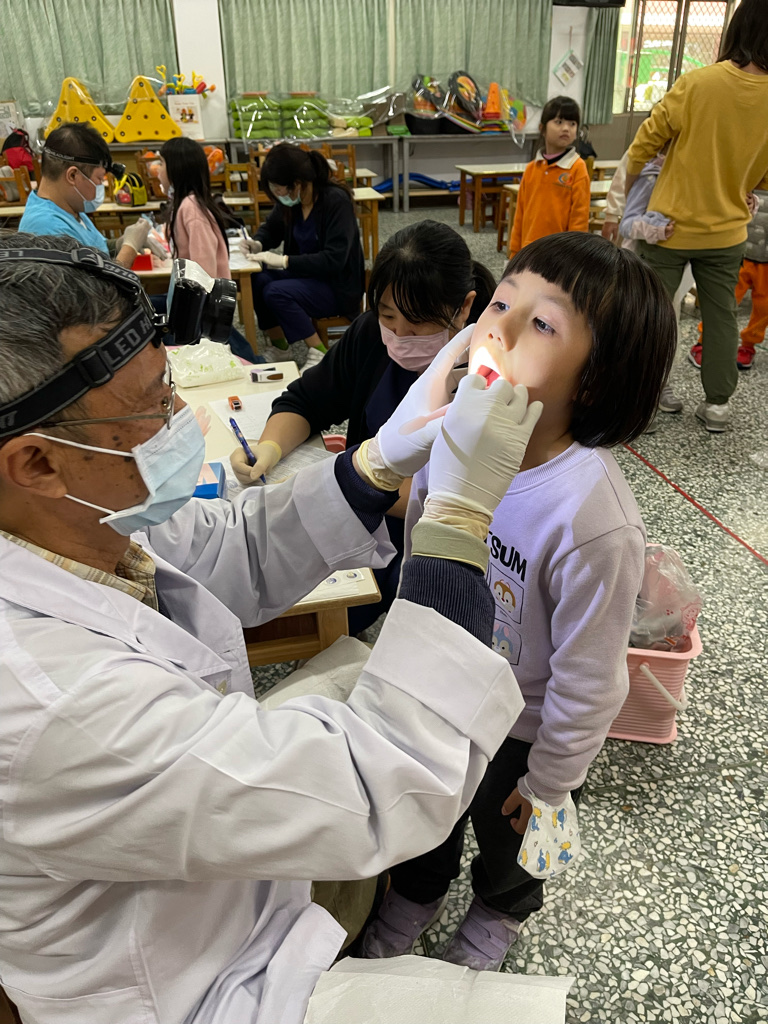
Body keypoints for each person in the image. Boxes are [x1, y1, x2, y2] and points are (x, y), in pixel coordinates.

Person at [0, 232, 542, 1024]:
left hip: (220, 884)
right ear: (37, 464)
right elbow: (381, 785)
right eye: (151, 406)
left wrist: (374, 466)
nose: (178, 416)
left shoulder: (77, 519)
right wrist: (456, 521)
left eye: (169, 384)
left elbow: (227, 548)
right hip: (194, 987)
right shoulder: (48, 701)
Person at [361, 232, 677, 971]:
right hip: (443, 691)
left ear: (593, 382)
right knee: (425, 815)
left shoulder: (592, 519)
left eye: (541, 323)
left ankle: (499, 913)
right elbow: (421, 557)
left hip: (527, 729)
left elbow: (592, 677)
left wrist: (552, 782)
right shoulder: (454, 434)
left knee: (520, 842)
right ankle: (416, 892)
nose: (498, 327)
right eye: (501, 302)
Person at [231, 220, 495, 632]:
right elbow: (307, 400)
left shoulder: (488, 376)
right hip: (359, 507)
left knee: (352, 610)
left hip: (433, 543)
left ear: (464, 308)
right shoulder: (372, 336)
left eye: (418, 324)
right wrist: (269, 448)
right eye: (388, 316)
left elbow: (449, 499)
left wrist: (350, 482)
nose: (400, 336)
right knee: (271, 571)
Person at [625, 0, 768, 432]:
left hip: (669, 228)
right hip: (728, 233)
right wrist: (743, 188)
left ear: (737, 29)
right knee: (722, 315)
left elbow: (644, 143)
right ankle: (718, 405)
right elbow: (761, 175)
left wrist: (630, 194)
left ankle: (643, 402)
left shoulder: (698, 82)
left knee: (653, 314)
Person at [239, 142, 365, 371]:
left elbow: (334, 259)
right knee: (257, 278)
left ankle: (319, 352)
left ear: (297, 183)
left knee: (275, 292)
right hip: (306, 276)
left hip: (336, 286)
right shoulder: (292, 202)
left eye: (278, 188)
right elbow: (272, 228)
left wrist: (284, 261)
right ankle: (280, 347)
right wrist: (257, 243)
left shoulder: (335, 201)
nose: (277, 194)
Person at [156, 136, 259, 361]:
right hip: (199, 302)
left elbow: (204, 271)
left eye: (161, 163)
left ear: (177, 168)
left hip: (203, 304)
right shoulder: (186, 204)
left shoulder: (191, 208)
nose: (157, 171)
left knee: (229, 354)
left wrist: (192, 315)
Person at [18, 121, 151, 269]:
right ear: (73, 175)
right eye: (99, 179)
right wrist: (129, 248)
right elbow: (99, 284)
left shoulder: (69, 209)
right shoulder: (46, 228)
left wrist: (120, 243)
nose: (100, 185)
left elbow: (96, 249)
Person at [508, 96, 590, 257]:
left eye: (572, 124)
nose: (566, 128)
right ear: (542, 128)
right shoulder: (532, 168)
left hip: (559, 254)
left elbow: (579, 219)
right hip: (529, 249)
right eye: (559, 122)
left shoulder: (577, 168)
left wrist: (574, 256)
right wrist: (514, 252)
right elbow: (520, 215)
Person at [693, 190, 766, 370]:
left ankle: (749, 344)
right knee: (723, 301)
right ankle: (704, 341)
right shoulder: (751, 179)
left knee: (764, 307)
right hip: (739, 254)